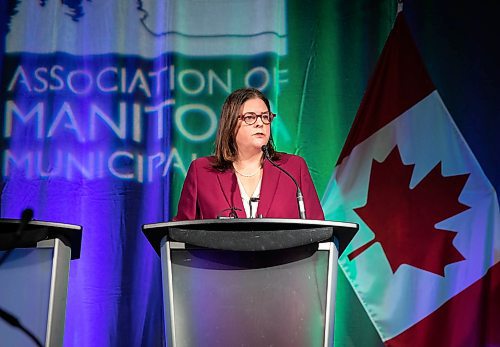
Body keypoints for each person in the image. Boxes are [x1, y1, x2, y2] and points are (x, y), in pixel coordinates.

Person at [173, 88, 324, 221]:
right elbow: (180, 234)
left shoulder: (293, 168)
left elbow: (318, 230)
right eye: (250, 117)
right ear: (230, 124)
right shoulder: (202, 171)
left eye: (265, 117)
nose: (260, 123)